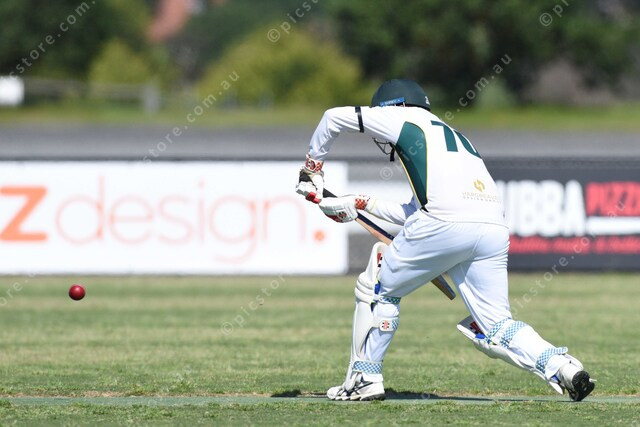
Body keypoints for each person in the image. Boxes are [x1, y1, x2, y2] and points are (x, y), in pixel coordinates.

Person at [295, 79, 595, 402]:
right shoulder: (451, 136)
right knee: (496, 326)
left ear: (394, 106)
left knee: (378, 287)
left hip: (443, 220)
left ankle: (365, 377)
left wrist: (312, 169)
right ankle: (563, 367)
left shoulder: (399, 116)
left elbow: (332, 117)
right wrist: (361, 203)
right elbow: (414, 212)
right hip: (492, 226)